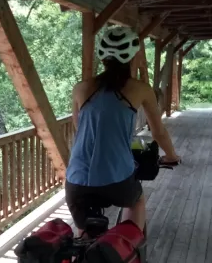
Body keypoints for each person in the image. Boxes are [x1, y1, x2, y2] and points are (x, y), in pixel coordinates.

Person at [66, 26, 180, 234]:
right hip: (116, 180)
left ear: (103, 58)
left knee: (83, 235)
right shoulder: (140, 89)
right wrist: (171, 155)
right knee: (135, 201)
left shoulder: (80, 88)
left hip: (76, 181)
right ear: (134, 57)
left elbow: (79, 128)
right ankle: (131, 250)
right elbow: (158, 132)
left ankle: (81, 260)